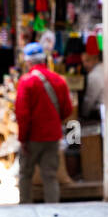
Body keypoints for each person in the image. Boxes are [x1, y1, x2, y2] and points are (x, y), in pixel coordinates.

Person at [15, 40, 72, 204]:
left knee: (25, 175)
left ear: (28, 61)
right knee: (50, 176)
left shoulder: (26, 82)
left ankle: (25, 207)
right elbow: (67, 109)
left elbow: (22, 115)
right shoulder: (59, 80)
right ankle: (52, 209)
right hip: (53, 137)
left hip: (32, 137)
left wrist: (22, 139)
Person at [79, 35, 105, 119]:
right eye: (83, 62)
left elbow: (89, 100)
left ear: (95, 58)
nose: (84, 65)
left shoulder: (94, 75)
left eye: (87, 60)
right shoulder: (103, 67)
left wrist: (82, 116)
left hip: (98, 114)